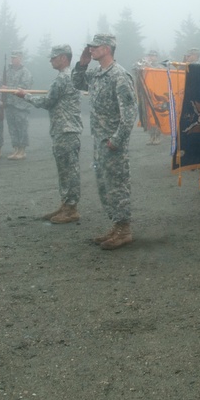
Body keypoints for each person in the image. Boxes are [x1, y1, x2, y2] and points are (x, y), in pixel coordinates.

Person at [72, 34, 138, 250]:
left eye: (95, 47)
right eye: (90, 46)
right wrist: (82, 64)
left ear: (108, 48)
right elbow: (77, 83)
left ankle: (124, 230)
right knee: (105, 184)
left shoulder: (119, 75)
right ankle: (116, 226)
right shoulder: (97, 73)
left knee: (117, 184)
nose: (91, 49)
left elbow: (129, 113)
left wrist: (117, 140)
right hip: (100, 139)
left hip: (112, 141)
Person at [17, 45, 82, 224]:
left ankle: (71, 209)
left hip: (66, 130)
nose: (51, 60)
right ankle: (66, 205)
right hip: (66, 129)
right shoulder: (71, 76)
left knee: (68, 170)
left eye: (54, 57)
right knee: (66, 170)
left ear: (63, 58)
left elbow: (47, 101)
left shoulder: (63, 78)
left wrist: (25, 96)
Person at [4, 50, 32, 160]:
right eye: (11, 57)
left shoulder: (26, 72)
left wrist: (8, 89)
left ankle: (22, 150)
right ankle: (16, 149)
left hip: (20, 105)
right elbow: (4, 83)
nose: (12, 59)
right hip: (10, 104)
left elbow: (24, 87)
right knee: (12, 128)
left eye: (14, 57)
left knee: (22, 128)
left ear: (20, 58)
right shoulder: (8, 71)